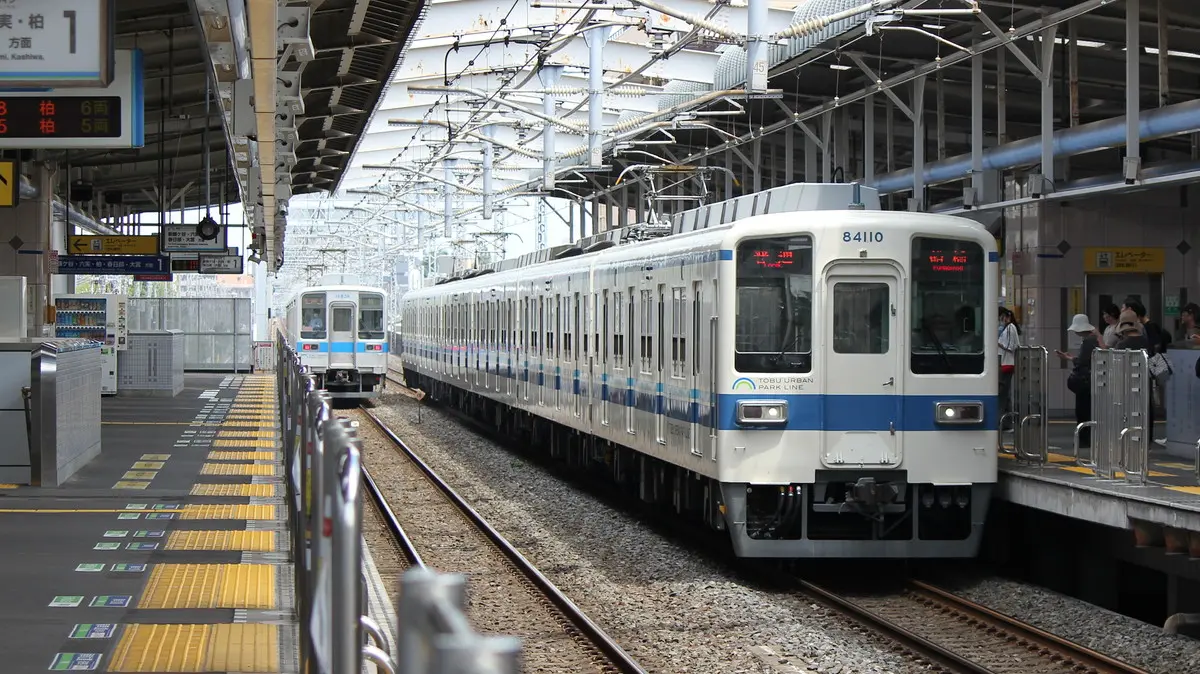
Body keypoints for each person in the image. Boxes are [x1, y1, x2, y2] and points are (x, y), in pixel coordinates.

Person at [1115, 309, 1157, 445]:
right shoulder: (1146, 341)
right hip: (1145, 381)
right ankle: (1146, 439)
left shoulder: (1122, 345)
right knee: (1145, 409)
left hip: (1127, 383)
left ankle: (1128, 437)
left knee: (1127, 411)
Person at [1057, 314, 1099, 447]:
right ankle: (1086, 439)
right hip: (1090, 380)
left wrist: (1069, 359)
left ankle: (1084, 440)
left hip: (1085, 382)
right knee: (1087, 410)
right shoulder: (1093, 340)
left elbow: (1082, 362)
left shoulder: (1088, 342)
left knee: (1082, 411)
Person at [998, 307, 1022, 429]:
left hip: (1006, 363)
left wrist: (997, 343)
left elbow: (1011, 346)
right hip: (1005, 363)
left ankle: (1003, 421)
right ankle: (1006, 422)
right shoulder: (1007, 328)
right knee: (1005, 394)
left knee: (1002, 393)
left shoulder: (1010, 328)